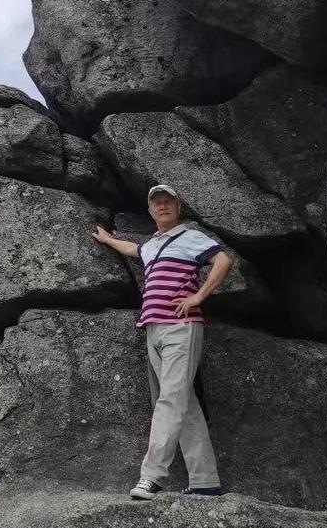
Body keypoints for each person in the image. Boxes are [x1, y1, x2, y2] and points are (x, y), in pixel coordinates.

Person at [93, 183, 233, 500]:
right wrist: (108, 240)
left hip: (181, 327)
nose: (162, 206)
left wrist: (198, 296)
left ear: (177, 207)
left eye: (168, 201)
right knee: (183, 403)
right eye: (157, 202)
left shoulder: (191, 237)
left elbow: (223, 262)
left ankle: (152, 476)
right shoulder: (153, 245)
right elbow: (134, 250)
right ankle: (205, 481)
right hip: (153, 330)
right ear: (151, 211)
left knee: (169, 401)